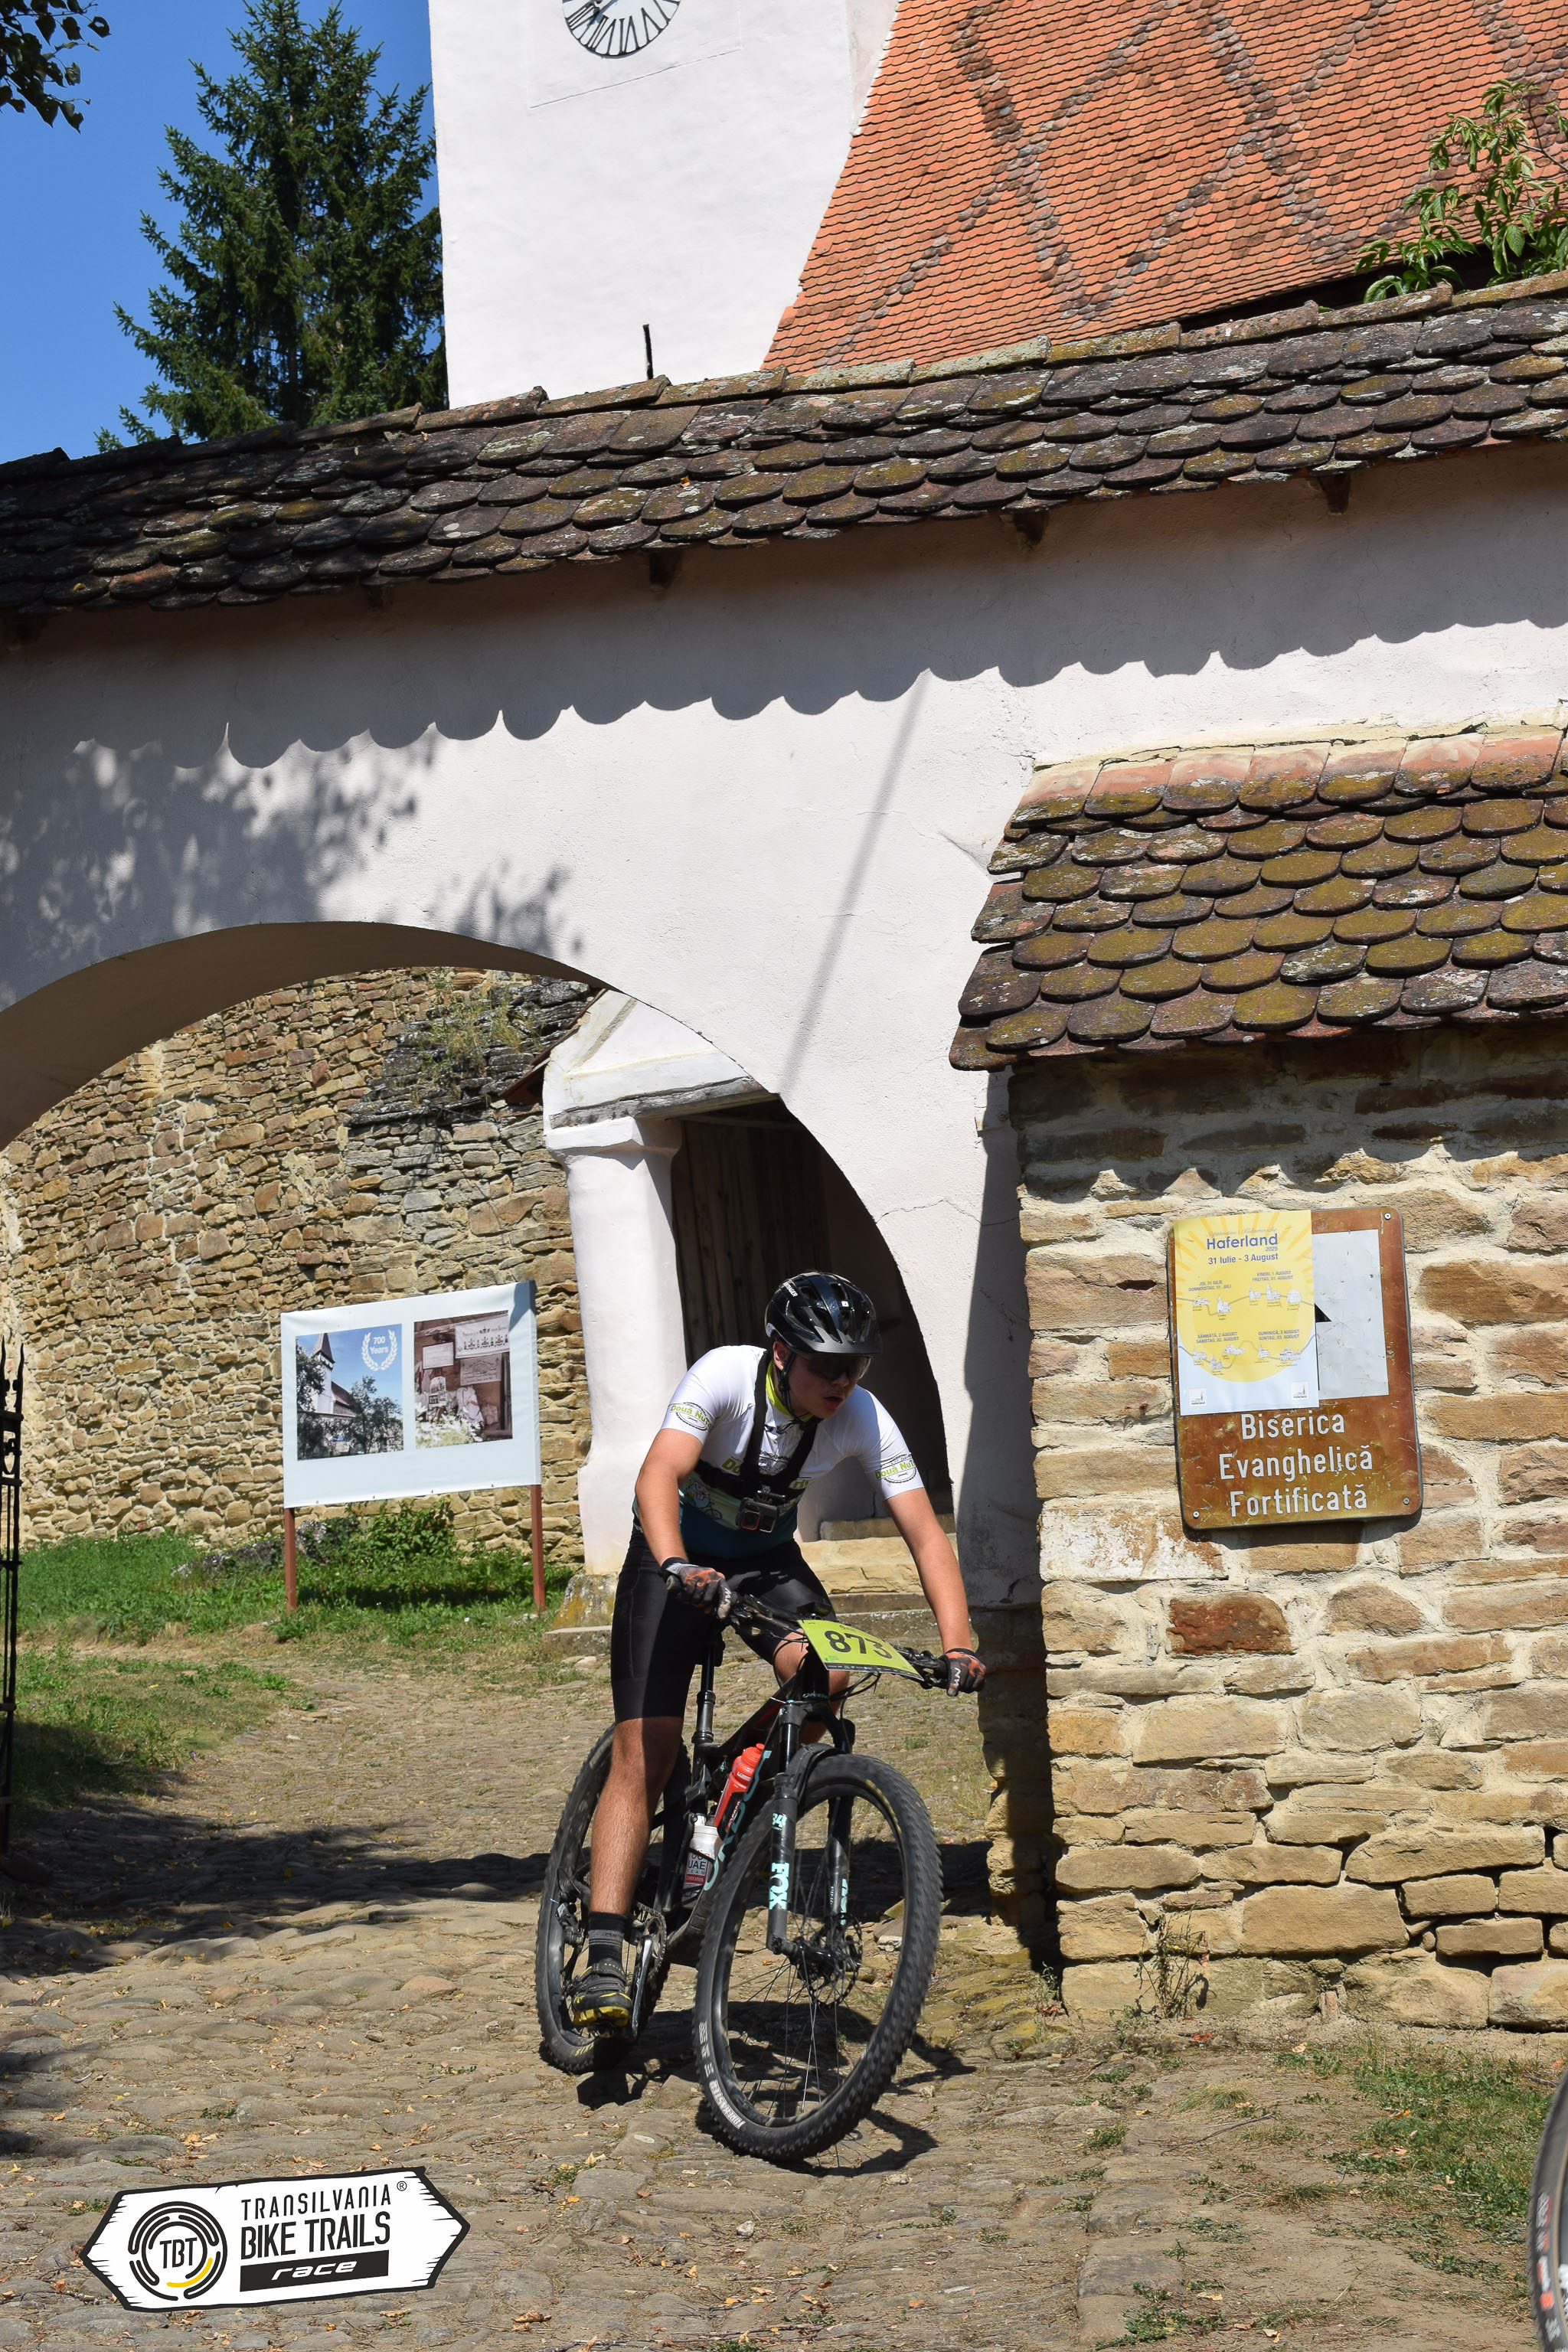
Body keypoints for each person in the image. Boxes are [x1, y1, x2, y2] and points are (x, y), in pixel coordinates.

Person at [571, 1268, 984, 2033]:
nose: (842, 1382)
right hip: (673, 1561)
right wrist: (675, 1563)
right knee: (645, 1751)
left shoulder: (861, 1415)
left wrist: (957, 1644)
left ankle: (736, 1794)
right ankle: (602, 1956)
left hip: (764, 1564)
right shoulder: (725, 1377)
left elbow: (926, 1535)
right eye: (826, 1365)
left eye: (854, 1366)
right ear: (781, 1354)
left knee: (828, 1675)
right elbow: (658, 1473)